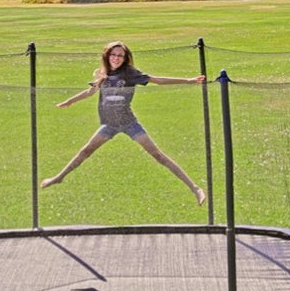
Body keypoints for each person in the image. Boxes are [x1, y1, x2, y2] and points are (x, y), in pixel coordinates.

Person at [40, 41, 206, 206]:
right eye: (113, 55)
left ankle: (195, 188)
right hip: (109, 125)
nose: (116, 58)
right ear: (107, 56)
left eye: (120, 56)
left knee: (158, 155)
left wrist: (188, 80)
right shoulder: (102, 74)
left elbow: (158, 80)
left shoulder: (129, 73)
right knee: (85, 151)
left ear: (125, 58)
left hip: (128, 123)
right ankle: (59, 177)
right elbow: (90, 92)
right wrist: (70, 101)